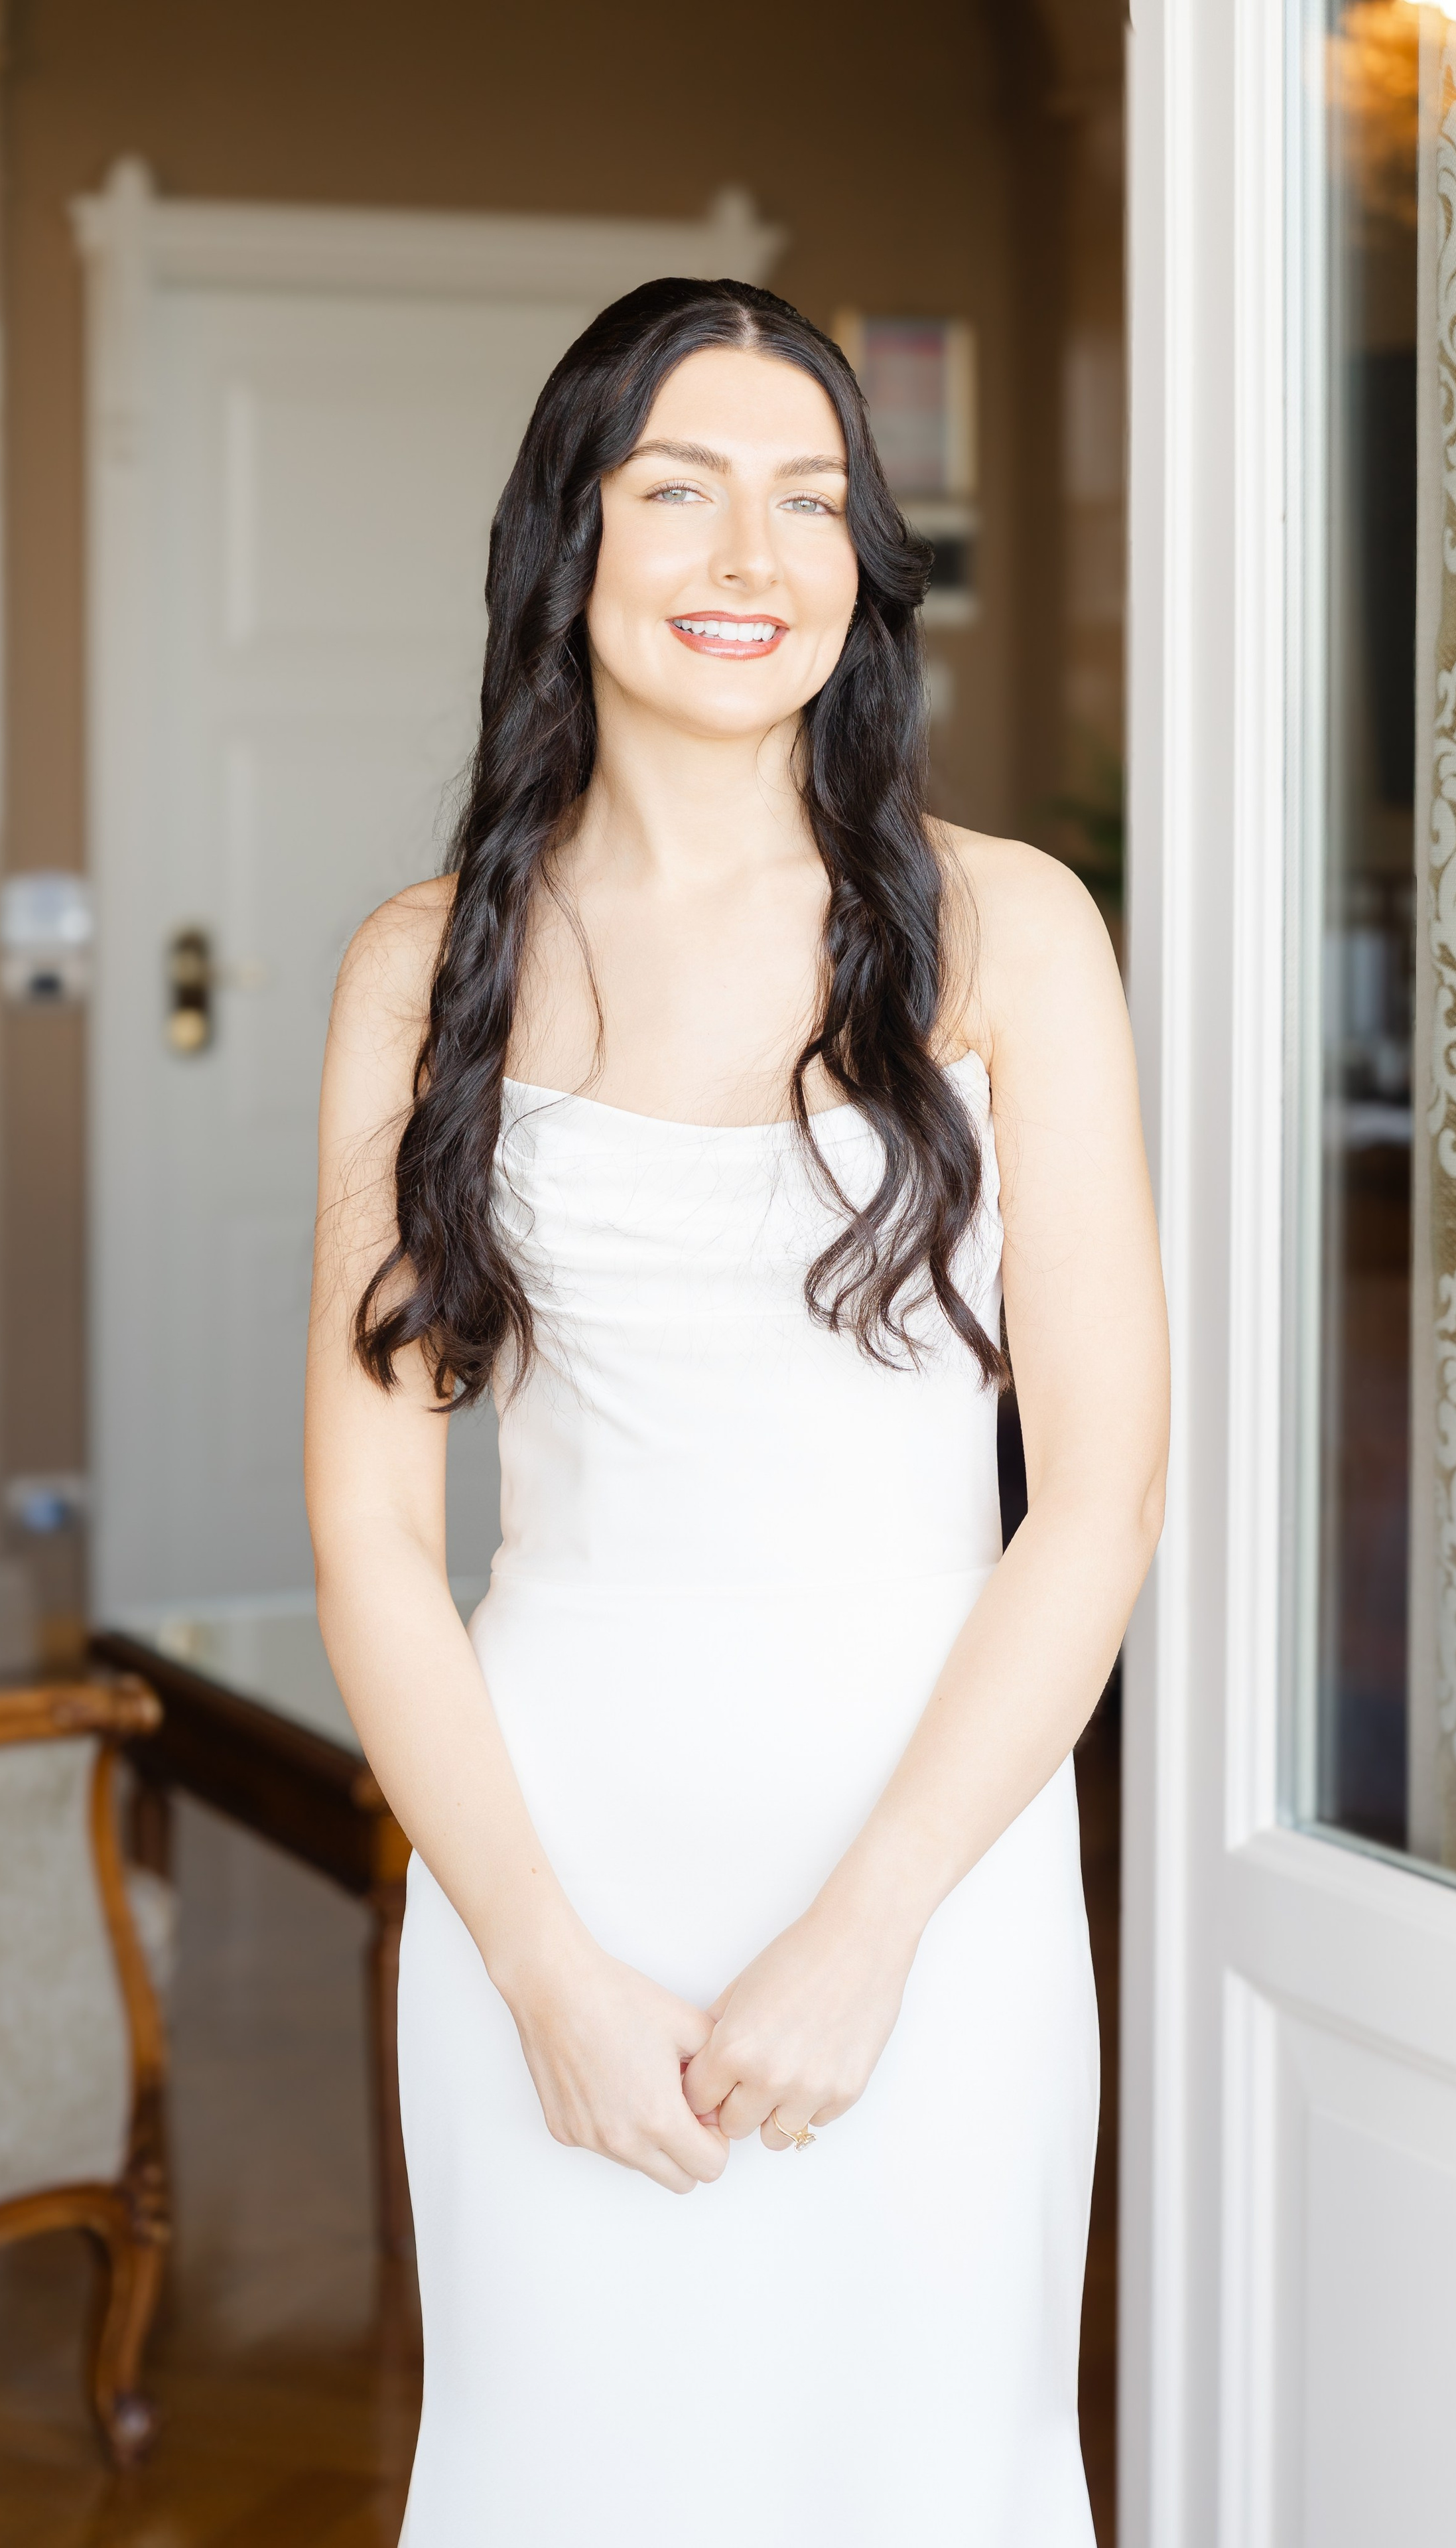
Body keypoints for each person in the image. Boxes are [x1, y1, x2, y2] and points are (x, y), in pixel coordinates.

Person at [304, 275, 1167, 2548]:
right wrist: (541, 1968)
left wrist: (873, 1924)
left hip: (935, 1875)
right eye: (677, 492)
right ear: (568, 551)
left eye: (808, 501)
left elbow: (1095, 1495)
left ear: (862, 571)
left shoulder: (1014, 933)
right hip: (544, 1871)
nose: (747, 558)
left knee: (922, 2477)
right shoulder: (425, 970)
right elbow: (379, 1538)